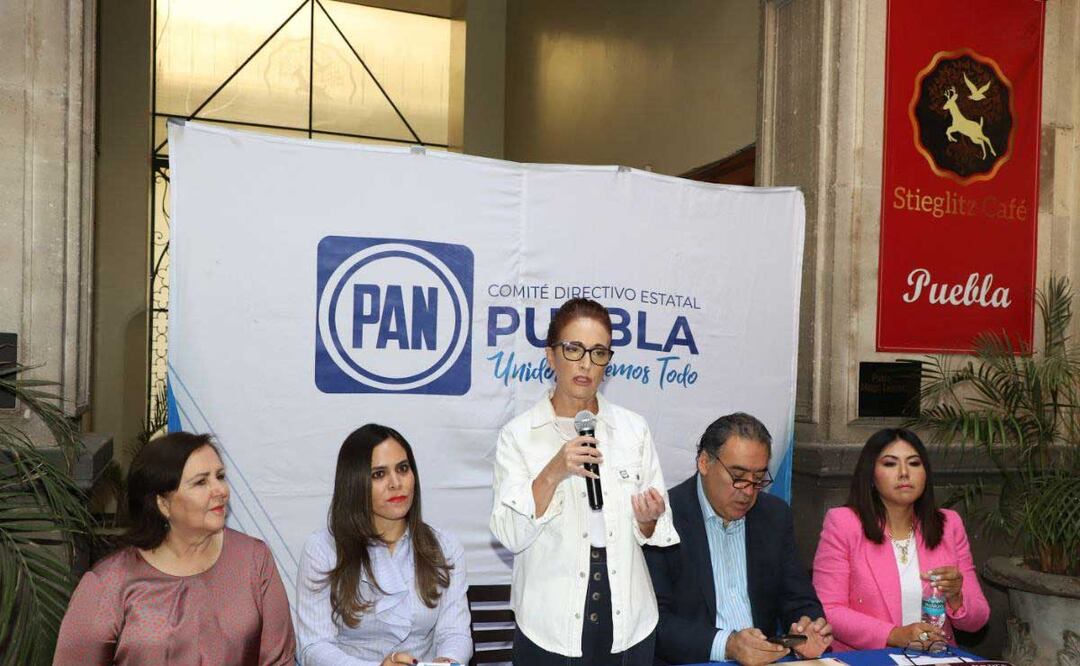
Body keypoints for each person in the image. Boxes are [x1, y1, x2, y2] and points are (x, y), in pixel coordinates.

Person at [490, 297, 679, 665]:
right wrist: (553, 472)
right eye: (573, 349)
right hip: (549, 622)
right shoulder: (519, 436)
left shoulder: (632, 429)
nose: (586, 364)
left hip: (629, 616)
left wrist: (648, 519)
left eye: (598, 353)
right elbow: (510, 534)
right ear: (550, 355)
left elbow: (659, 529)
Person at [53, 432, 296, 665]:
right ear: (163, 503)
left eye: (219, 476)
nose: (220, 491)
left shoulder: (253, 560)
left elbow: (279, 660)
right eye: (201, 482)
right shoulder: (109, 583)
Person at [644, 412, 832, 665]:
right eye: (738, 476)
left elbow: (798, 599)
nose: (748, 492)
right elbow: (652, 624)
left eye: (758, 479)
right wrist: (729, 645)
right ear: (704, 462)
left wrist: (807, 630)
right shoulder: (663, 518)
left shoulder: (774, 517)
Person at [296, 423, 472, 665]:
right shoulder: (322, 549)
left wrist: (447, 661)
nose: (395, 483)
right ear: (354, 483)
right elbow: (315, 646)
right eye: (379, 474)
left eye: (402, 469)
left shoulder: (445, 546)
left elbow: (455, 633)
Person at [812, 428, 990, 650]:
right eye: (890, 464)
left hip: (935, 658)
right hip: (870, 660)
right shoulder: (844, 524)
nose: (904, 473)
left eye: (914, 463)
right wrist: (895, 635)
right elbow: (829, 610)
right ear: (870, 476)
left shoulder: (948, 525)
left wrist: (956, 597)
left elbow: (978, 620)